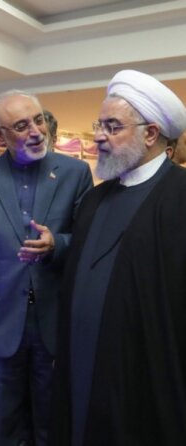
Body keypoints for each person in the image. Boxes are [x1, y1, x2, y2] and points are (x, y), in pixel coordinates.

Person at [50, 70, 186, 446]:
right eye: (100, 125)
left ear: (151, 133)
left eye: (112, 126)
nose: (98, 136)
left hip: (144, 376)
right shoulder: (95, 199)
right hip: (80, 363)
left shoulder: (180, 197)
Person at [0, 90, 93, 446]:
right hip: (1, 317)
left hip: (54, 317)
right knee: (4, 418)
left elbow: (87, 239)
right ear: (0, 136)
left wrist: (57, 244)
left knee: (52, 416)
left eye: (39, 120)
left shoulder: (75, 173)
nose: (36, 131)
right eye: (21, 126)